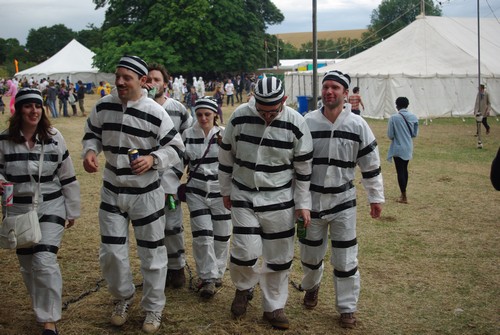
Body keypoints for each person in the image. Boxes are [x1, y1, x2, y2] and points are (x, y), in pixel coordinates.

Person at [82, 55, 185, 334]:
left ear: (142, 81)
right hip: (112, 191)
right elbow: (91, 132)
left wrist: (153, 160)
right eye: (118, 76)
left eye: (127, 78)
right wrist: (90, 151)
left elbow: (175, 148)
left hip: (146, 193)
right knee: (112, 252)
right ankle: (123, 297)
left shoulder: (155, 112)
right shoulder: (104, 106)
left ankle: (153, 308)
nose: (119, 81)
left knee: (152, 254)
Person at [218, 77, 313, 330]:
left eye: (273, 111)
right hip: (244, 195)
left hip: (280, 199)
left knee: (279, 258)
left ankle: (273, 307)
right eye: (262, 110)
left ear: (284, 101)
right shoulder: (239, 116)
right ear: (254, 100)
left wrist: (303, 204)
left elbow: (303, 170)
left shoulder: (296, 123)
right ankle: (243, 287)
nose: (268, 116)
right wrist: (226, 190)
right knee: (244, 252)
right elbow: (227, 156)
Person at [299, 70, 384, 329]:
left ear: (346, 93)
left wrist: (375, 197)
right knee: (309, 255)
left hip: (343, 202)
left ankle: (347, 308)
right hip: (310, 203)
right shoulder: (308, 122)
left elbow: (370, 163)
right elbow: (297, 162)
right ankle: (311, 286)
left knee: (345, 258)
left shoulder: (358, 125)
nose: (329, 91)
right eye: (326, 87)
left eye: (335, 87)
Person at [0, 88, 80, 335]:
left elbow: (67, 175)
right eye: (28, 106)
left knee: (44, 260)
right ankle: (41, 306)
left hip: (50, 205)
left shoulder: (55, 138)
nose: (34, 111)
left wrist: (72, 209)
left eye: (37, 106)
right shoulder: (4, 141)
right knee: (27, 264)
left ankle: (49, 321)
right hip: (19, 210)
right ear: (18, 110)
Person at [146, 63, 193, 289]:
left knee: (173, 225)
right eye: (149, 80)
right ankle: (158, 269)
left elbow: (187, 145)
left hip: (170, 178)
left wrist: (175, 176)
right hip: (145, 179)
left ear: (166, 83)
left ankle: (177, 268)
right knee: (151, 227)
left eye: (156, 79)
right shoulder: (139, 108)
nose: (152, 84)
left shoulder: (179, 110)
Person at [183, 98, 231, 299]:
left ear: (215, 115)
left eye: (207, 114)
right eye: (199, 114)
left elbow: (234, 161)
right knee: (202, 236)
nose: (203, 118)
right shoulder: (187, 135)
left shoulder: (225, 134)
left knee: (222, 236)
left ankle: (218, 271)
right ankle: (208, 278)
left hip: (221, 192)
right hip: (197, 192)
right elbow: (181, 163)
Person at [387, 97, 419, 204]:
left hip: (398, 147)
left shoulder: (393, 118)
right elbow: (414, 134)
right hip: (408, 147)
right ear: (407, 105)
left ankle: (403, 195)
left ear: (397, 105)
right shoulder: (414, 117)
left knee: (399, 171)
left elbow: (390, 135)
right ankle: (403, 194)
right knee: (405, 170)